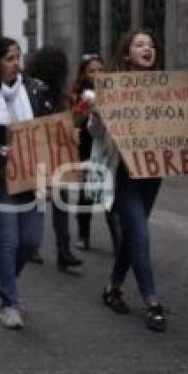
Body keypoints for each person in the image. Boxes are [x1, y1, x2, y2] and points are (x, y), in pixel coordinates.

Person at [91, 29, 188, 332]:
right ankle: (152, 301)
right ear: (127, 52)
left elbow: (177, 125)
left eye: (151, 45)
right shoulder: (111, 87)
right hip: (123, 175)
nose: (148, 49)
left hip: (151, 172)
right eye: (140, 45)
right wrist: (97, 115)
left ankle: (113, 288)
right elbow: (94, 134)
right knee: (140, 234)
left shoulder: (166, 86)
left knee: (133, 234)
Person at [0, 36, 56, 330]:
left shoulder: (37, 90)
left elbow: (52, 130)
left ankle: (8, 281)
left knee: (30, 242)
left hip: (33, 177)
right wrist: (0, 150)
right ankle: (9, 303)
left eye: (19, 57)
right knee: (8, 240)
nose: (17, 63)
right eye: (10, 58)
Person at [25, 46, 83, 271]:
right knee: (41, 199)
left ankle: (62, 249)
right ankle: (38, 245)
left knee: (61, 199)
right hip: (40, 152)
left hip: (57, 153)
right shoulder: (36, 92)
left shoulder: (60, 94)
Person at [69, 54, 122, 254]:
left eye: (101, 70)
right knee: (86, 194)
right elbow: (73, 122)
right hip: (86, 148)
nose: (97, 74)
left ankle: (118, 239)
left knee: (111, 193)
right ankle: (83, 234)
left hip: (107, 148)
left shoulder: (114, 91)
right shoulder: (78, 95)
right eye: (92, 71)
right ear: (83, 74)